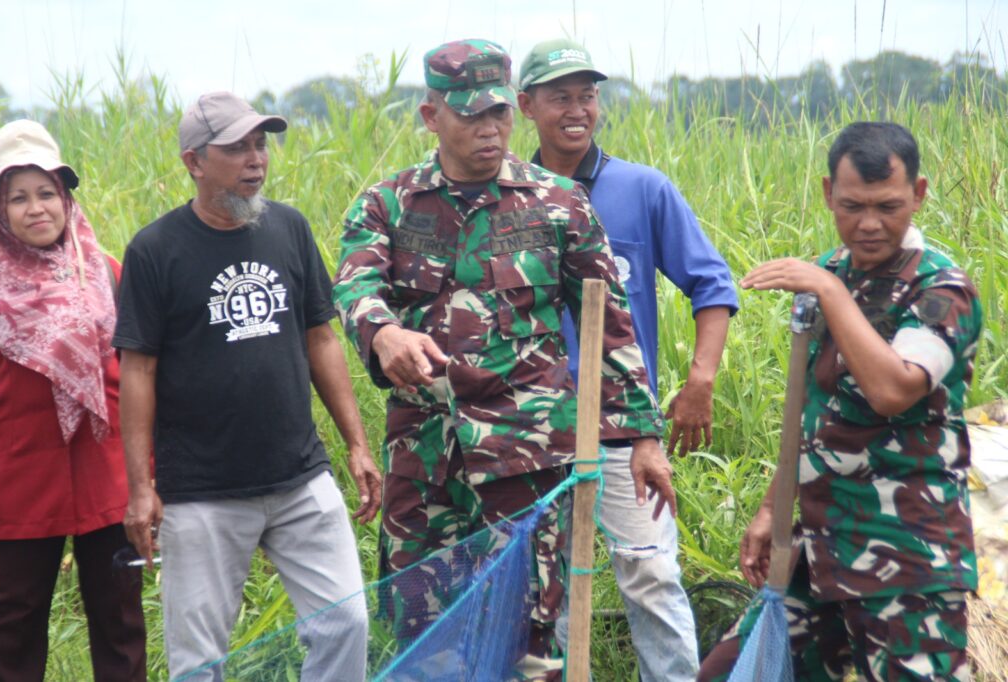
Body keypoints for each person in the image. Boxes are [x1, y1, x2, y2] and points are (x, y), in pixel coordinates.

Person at [332, 39, 675, 681]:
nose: (488, 131)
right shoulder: (390, 204)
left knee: (531, 639)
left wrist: (644, 439)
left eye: (498, 115)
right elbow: (354, 285)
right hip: (426, 459)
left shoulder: (559, 204)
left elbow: (614, 327)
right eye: (469, 117)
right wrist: (382, 334)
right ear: (432, 117)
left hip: (528, 460)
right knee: (423, 635)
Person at [113, 91, 382, 681]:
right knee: (198, 662)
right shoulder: (155, 251)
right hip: (202, 492)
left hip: (300, 478)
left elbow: (321, 339)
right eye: (235, 147)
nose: (255, 158)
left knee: (346, 623)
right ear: (194, 162)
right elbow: (138, 371)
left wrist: (357, 443)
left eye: (260, 144)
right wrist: (140, 486)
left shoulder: (288, 228)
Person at [698, 122, 981, 681]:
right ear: (829, 193)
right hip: (819, 549)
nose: (870, 224)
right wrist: (771, 508)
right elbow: (810, 413)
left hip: (907, 559)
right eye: (852, 206)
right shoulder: (829, 272)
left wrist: (830, 293)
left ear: (919, 194)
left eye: (888, 206)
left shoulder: (942, 290)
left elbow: (893, 390)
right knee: (729, 672)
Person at [517, 39, 740, 680]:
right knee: (543, 591)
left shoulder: (641, 189)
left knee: (651, 572)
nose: (577, 109)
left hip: (625, 426)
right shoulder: (508, 197)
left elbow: (712, 286)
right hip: (533, 432)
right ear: (526, 105)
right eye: (560, 96)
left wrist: (701, 379)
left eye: (587, 94)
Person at [0, 120, 146, 681]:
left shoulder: (107, 274)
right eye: (18, 197)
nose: (36, 208)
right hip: (18, 484)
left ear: (66, 198)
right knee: (13, 627)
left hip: (107, 479)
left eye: (47, 192)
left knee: (120, 619)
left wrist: (149, 477)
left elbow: (142, 381)